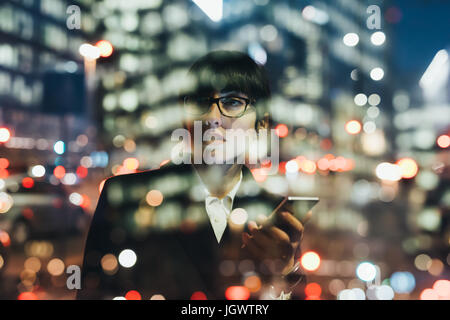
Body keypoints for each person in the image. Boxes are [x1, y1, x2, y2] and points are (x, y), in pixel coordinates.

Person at [77, 51, 307, 300]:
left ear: (261, 122)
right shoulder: (125, 198)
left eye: (231, 103)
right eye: (199, 102)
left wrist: (283, 274)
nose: (212, 118)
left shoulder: (275, 214)